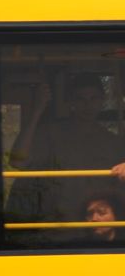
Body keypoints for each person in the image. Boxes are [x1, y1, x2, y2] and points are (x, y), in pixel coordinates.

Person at [11, 73, 125, 233]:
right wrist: (37, 110)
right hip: (57, 224)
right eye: (81, 99)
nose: (88, 105)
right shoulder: (50, 134)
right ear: (71, 102)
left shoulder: (113, 142)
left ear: (102, 101)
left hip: (95, 225)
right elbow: (17, 161)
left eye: (94, 99)